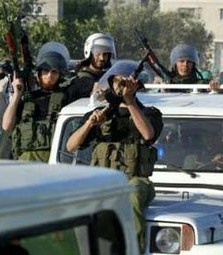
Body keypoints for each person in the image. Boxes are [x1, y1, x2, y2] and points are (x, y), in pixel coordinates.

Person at [66, 60, 163, 253]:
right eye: (116, 81)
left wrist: (130, 101)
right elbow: (71, 145)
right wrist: (90, 125)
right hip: (103, 181)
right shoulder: (101, 112)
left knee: (131, 195)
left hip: (136, 180)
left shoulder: (148, 113)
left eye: (124, 82)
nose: (120, 86)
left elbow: (148, 134)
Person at [2, 42, 96, 162]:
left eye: (54, 72)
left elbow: (88, 82)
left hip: (52, 162)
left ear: (60, 75)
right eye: (45, 71)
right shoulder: (27, 99)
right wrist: (16, 96)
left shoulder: (66, 94)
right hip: (25, 163)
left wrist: (79, 68)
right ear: (39, 73)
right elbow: (6, 126)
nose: (49, 75)